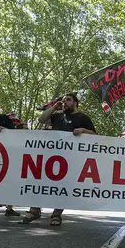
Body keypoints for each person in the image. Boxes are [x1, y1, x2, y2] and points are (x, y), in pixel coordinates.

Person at [21, 92, 96, 225]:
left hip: (70, 158)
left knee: (64, 185)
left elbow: (95, 135)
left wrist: (83, 130)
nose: (65, 102)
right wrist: (54, 107)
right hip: (51, 155)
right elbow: (41, 119)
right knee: (39, 180)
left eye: (68, 100)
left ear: (75, 102)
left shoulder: (83, 117)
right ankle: (34, 210)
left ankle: (56, 214)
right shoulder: (57, 116)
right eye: (63, 100)